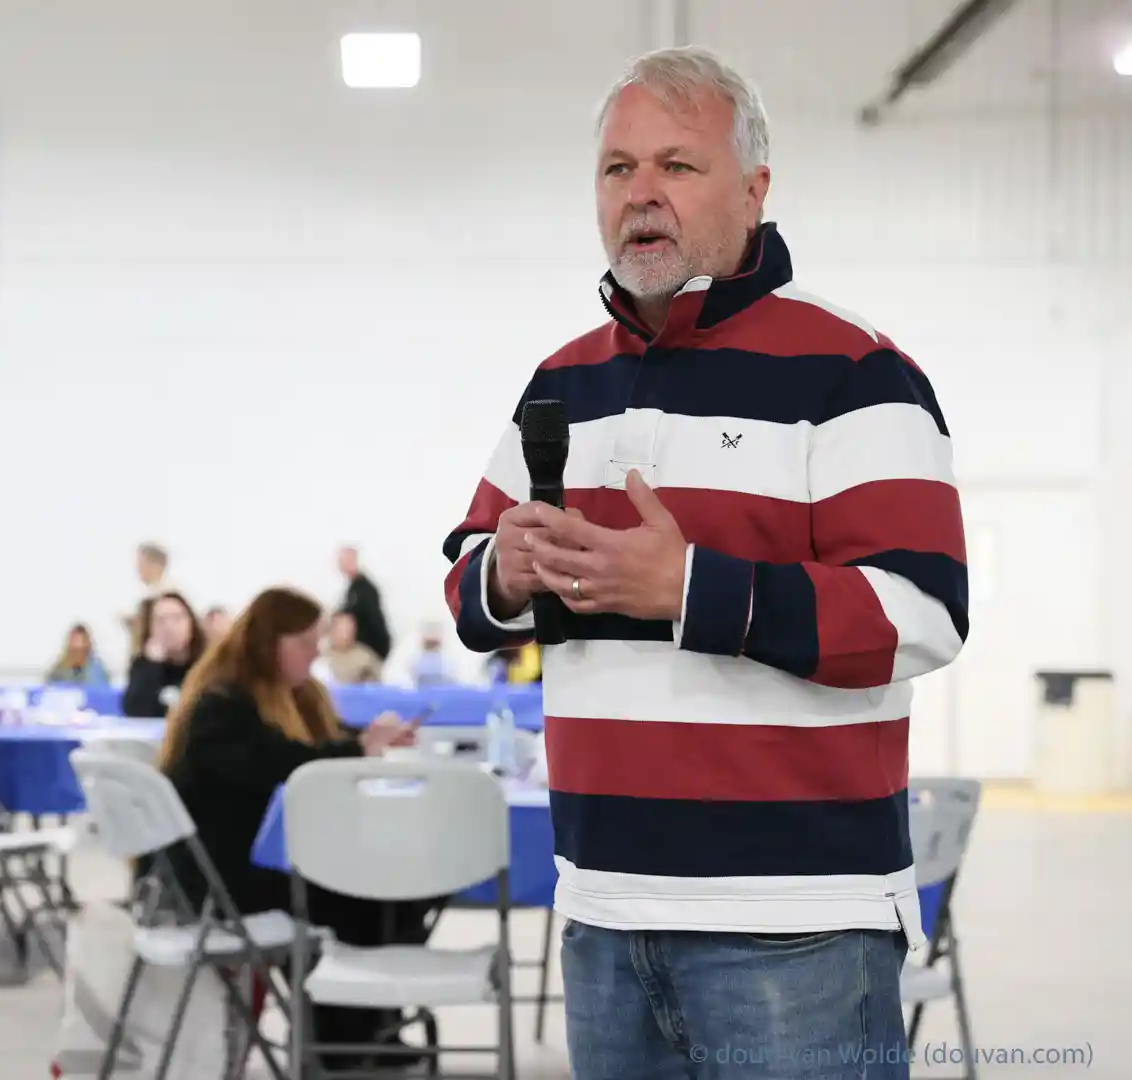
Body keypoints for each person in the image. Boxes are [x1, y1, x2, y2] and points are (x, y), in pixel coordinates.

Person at [441, 47, 967, 1080]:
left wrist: (687, 590)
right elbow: (467, 577)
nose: (641, 194)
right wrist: (505, 575)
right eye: (617, 168)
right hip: (598, 912)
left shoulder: (856, 371)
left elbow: (919, 614)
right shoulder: (561, 382)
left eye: (677, 167)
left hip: (796, 929)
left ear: (756, 189)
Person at [157, 587, 423, 1067]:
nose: (315, 652)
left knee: (399, 887)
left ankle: (362, 1029)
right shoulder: (221, 707)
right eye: (304, 642)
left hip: (243, 867)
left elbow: (313, 741)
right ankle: (346, 1040)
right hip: (222, 886)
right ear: (268, 643)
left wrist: (365, 739)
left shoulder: (270, 697)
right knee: (372, 887)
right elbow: (281, 761)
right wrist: (360, 748)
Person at [121, 592, 205, 718]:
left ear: (191, 623)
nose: (168, 626)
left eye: (176, 618)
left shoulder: (206, 663)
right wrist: (152, 665)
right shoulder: (143, 664)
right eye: (160, 621)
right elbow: (133, 710)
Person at [336, 546, 392, 661]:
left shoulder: (364, 590)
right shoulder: (353, 589)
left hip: (370, 649)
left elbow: (351, 618)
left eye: (343, 560)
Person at [323, 611, 382, 685]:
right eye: (342, 628)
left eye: (349, 627)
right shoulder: (320, 655)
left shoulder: (365, 657)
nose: (346, 633)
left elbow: (377, 684)